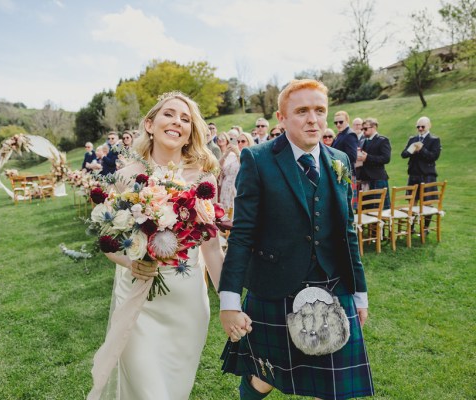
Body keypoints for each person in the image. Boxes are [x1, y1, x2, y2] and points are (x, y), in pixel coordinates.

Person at [219, 79, 373, 400]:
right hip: (275, 286)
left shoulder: (338, 161)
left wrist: (359, 293)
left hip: (334, 284)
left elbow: (348, 232)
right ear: (281, 117)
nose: (312, 119)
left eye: (319, 110)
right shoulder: (258, 159)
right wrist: (230, 302)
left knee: (333, 385)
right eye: (301, 111)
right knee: (265, 376)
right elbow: (243, 233)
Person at [88, 92, 224, 400]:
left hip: (186, 303)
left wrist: (229, 302)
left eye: (186, 119)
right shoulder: (126, 177)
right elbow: (107, 242)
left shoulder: (203, 180)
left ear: (192, 131)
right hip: (139, 298)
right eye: (169, 114)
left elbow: (211, 247)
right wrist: (130, 262)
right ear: (150, 124)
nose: (177, 121)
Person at [401, 116, 442, 231]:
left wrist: (422, 149)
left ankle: (425, 227)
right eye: (418, 126)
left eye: (422, 126)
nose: (420, 128)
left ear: (429, 126)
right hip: (413, 174)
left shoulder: (434, 140)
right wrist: (411, 150)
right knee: (412, 201)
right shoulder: (412, 139)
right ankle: (411, 227)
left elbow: (434, 157)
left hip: (427, 175)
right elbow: (404, 154)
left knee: (427, 202)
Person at [357, 118, 391, 209]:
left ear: (374, 127)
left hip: (377, 179)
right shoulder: (363, 141)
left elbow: (386, 158)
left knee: (379, 210)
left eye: (365, 129)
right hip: (364, 180)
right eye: (362, 129)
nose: (363, 131)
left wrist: (367, 157)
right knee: (366, 209)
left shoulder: (383, 140)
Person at [218, 129, 242, 216]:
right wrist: (226, 153)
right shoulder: (227, 153)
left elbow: (243, 167)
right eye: (230, 138)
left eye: (235, 138)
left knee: (234, 212)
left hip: (237, 186)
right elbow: (218, 168)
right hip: (226, 186)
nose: (233, 140)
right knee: (224, 213)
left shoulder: (243, 153)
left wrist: (237, 152)